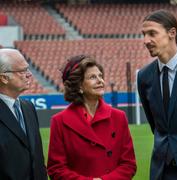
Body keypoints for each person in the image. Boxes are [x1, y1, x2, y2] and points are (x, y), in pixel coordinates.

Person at [47, 55, 136, 179]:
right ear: (79, 86)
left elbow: (129, 164)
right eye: (93, 77)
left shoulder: (118, 117)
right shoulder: (59, 121)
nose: (100, 81)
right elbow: (56, 169)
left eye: (100, 76)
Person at [138, 10, 177, 180]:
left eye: (152, 33)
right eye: (144, 34)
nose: (146, 40)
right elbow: (156, 126)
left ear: (172, 33)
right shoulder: (144, 76)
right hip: (161, 171)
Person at [0, 48, 47, 180]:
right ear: (4, 78)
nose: (29, 74)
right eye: (22, 71)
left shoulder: (28, 108)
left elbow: (38, 159)